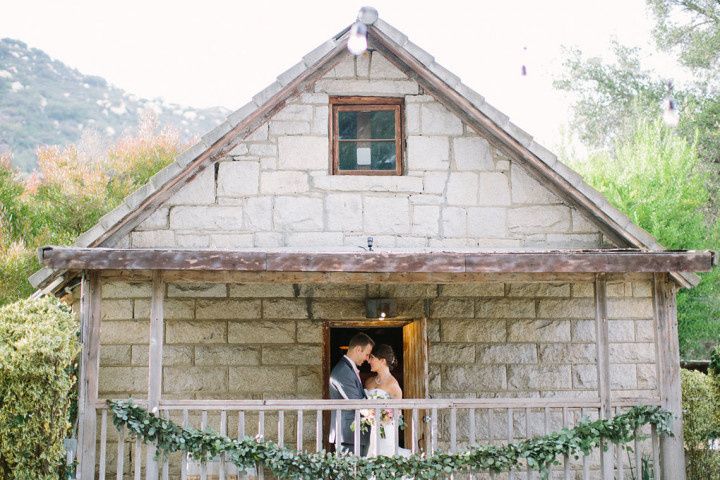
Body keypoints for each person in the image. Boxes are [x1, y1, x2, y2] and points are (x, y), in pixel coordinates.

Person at [328, 332, 374, 456]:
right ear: (358, 349)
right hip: (348, 435)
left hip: (353, 436)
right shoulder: (343, 371)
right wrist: (378, 414)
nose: (367, 358)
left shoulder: (348, 368)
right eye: (367, 354)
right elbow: (357, 402)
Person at [364, 344, 410, 457]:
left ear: (382, 361)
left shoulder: (393, 385)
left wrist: (380, 415)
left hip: (386, 432)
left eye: (372, 357)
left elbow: (396, 413)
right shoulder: (369, 381)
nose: (369, 361)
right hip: (369, 430)